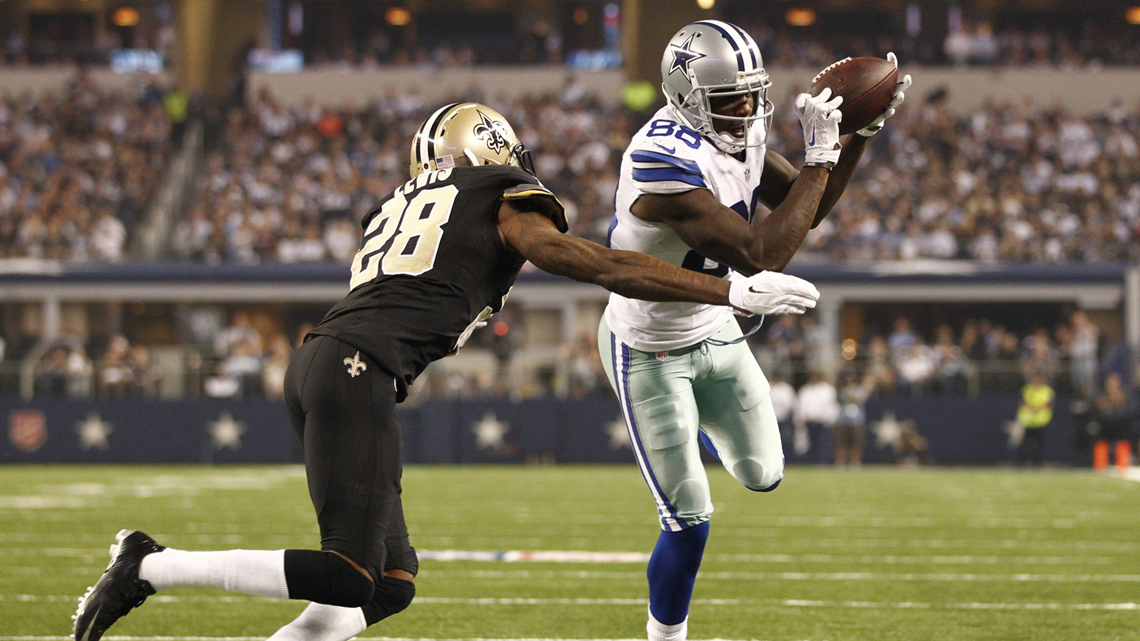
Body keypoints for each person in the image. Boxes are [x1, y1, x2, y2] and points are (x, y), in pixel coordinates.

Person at [72, 102, 820, 641]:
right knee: (348, 574)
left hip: (329, 366)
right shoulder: (500, 195)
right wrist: (726, 287)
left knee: (390, 584)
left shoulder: (402, 203)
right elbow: (588, 261)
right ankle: (150, 564)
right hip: (354, 369)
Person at [596, 20, 910, 641]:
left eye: (753, 93)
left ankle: (691, 430)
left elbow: (802, 209)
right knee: (689, 519)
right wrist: (823, 154)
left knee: (764, 474)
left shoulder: (738, 126)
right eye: (731, 99)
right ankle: (666, 636)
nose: (748, 110)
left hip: (717, 327)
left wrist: (855, 139)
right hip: (649, 348)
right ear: (686, 98)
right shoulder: (660, 161)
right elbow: (761, 254)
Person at [1016, 370, 1054, 467]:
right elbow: (1021, 403)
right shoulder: (1026, 389)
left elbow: (1049, 404)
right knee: (1023, 445)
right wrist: (1033, 408)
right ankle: (1022, 463)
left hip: (1041, 421)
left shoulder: (1047, 390)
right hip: (1027, 420)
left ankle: (1037, 463)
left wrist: (1037, 408)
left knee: (1039, 445)